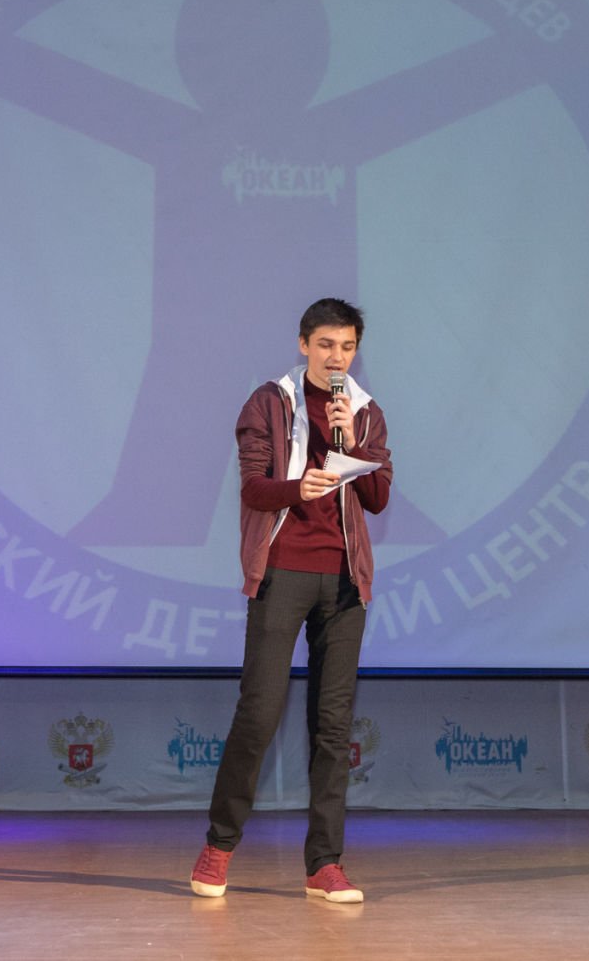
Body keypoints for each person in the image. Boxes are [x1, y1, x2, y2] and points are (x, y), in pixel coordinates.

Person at [190, 297, 393, 904]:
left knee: (333, 725)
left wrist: (354, 442)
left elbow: (378, 498)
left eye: (348, 347)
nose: (337, 357)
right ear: (304, 345)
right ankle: (218, 846)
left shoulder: (364, 411)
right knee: (259, 712)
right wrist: (295, 488)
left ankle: (324, 864)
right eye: (326, 345)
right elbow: (254, 489)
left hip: (345, 581)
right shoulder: (269, 403)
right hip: (282, 573)